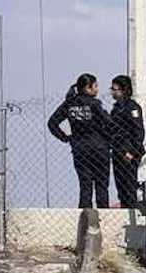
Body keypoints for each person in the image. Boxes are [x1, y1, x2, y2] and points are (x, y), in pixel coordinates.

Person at [47, 73, 112, 209]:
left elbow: (52, 123)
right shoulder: (94, 104)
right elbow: (108, 123)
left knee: (85, 185)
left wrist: (66, 138)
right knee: (101, 184)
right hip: (99, 148)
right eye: (95, 86)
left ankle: (85, 216)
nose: (97, 89)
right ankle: (104, 215)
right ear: (87, 88)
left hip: (80, 149)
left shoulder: (69, 104)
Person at [109, 75, 146, 211]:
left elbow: (138, 132)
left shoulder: (132, 108)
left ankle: (132, 212)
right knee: (121, 187)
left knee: (129, 185)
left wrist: (132, 152)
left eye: (115, 89)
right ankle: (125, 210)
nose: (113, 92)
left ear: (124, 90)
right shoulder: (116, 109)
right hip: (118, 150)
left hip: (129, 152)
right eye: (112, 89)